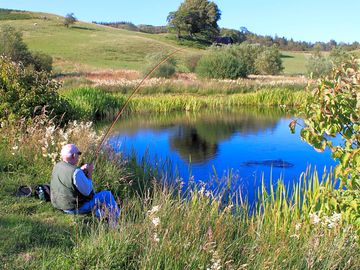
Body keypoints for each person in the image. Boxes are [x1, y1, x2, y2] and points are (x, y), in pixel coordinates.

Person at [50, 144, 120, 222]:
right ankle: (116, 218)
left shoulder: (57, 165)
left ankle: (100, 213)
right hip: (73, 209)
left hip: (58, 204)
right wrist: (90, 173)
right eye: (78, 154)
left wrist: (80, 169)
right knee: (107, 195)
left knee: (98, 200)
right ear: (73, 156)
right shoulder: (76, 172)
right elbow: (88, 191)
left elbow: (70, 176)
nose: (79, 156)